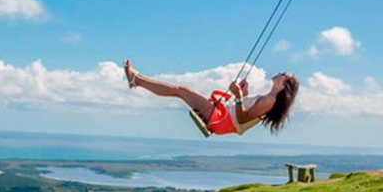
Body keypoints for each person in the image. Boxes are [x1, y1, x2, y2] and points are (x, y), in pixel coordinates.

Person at [123, 59, 299, 136]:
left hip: (221, 120)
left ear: (285, 85)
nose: (279, 73)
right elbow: (245, 114)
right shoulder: (267, 98)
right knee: (181, 91)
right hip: (223, 117)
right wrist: (244, 94)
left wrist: (238, 97)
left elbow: (243, 117)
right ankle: (136, 79)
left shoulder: (269, 101)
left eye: (284, 74)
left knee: (181, 91)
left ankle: (136, 79)